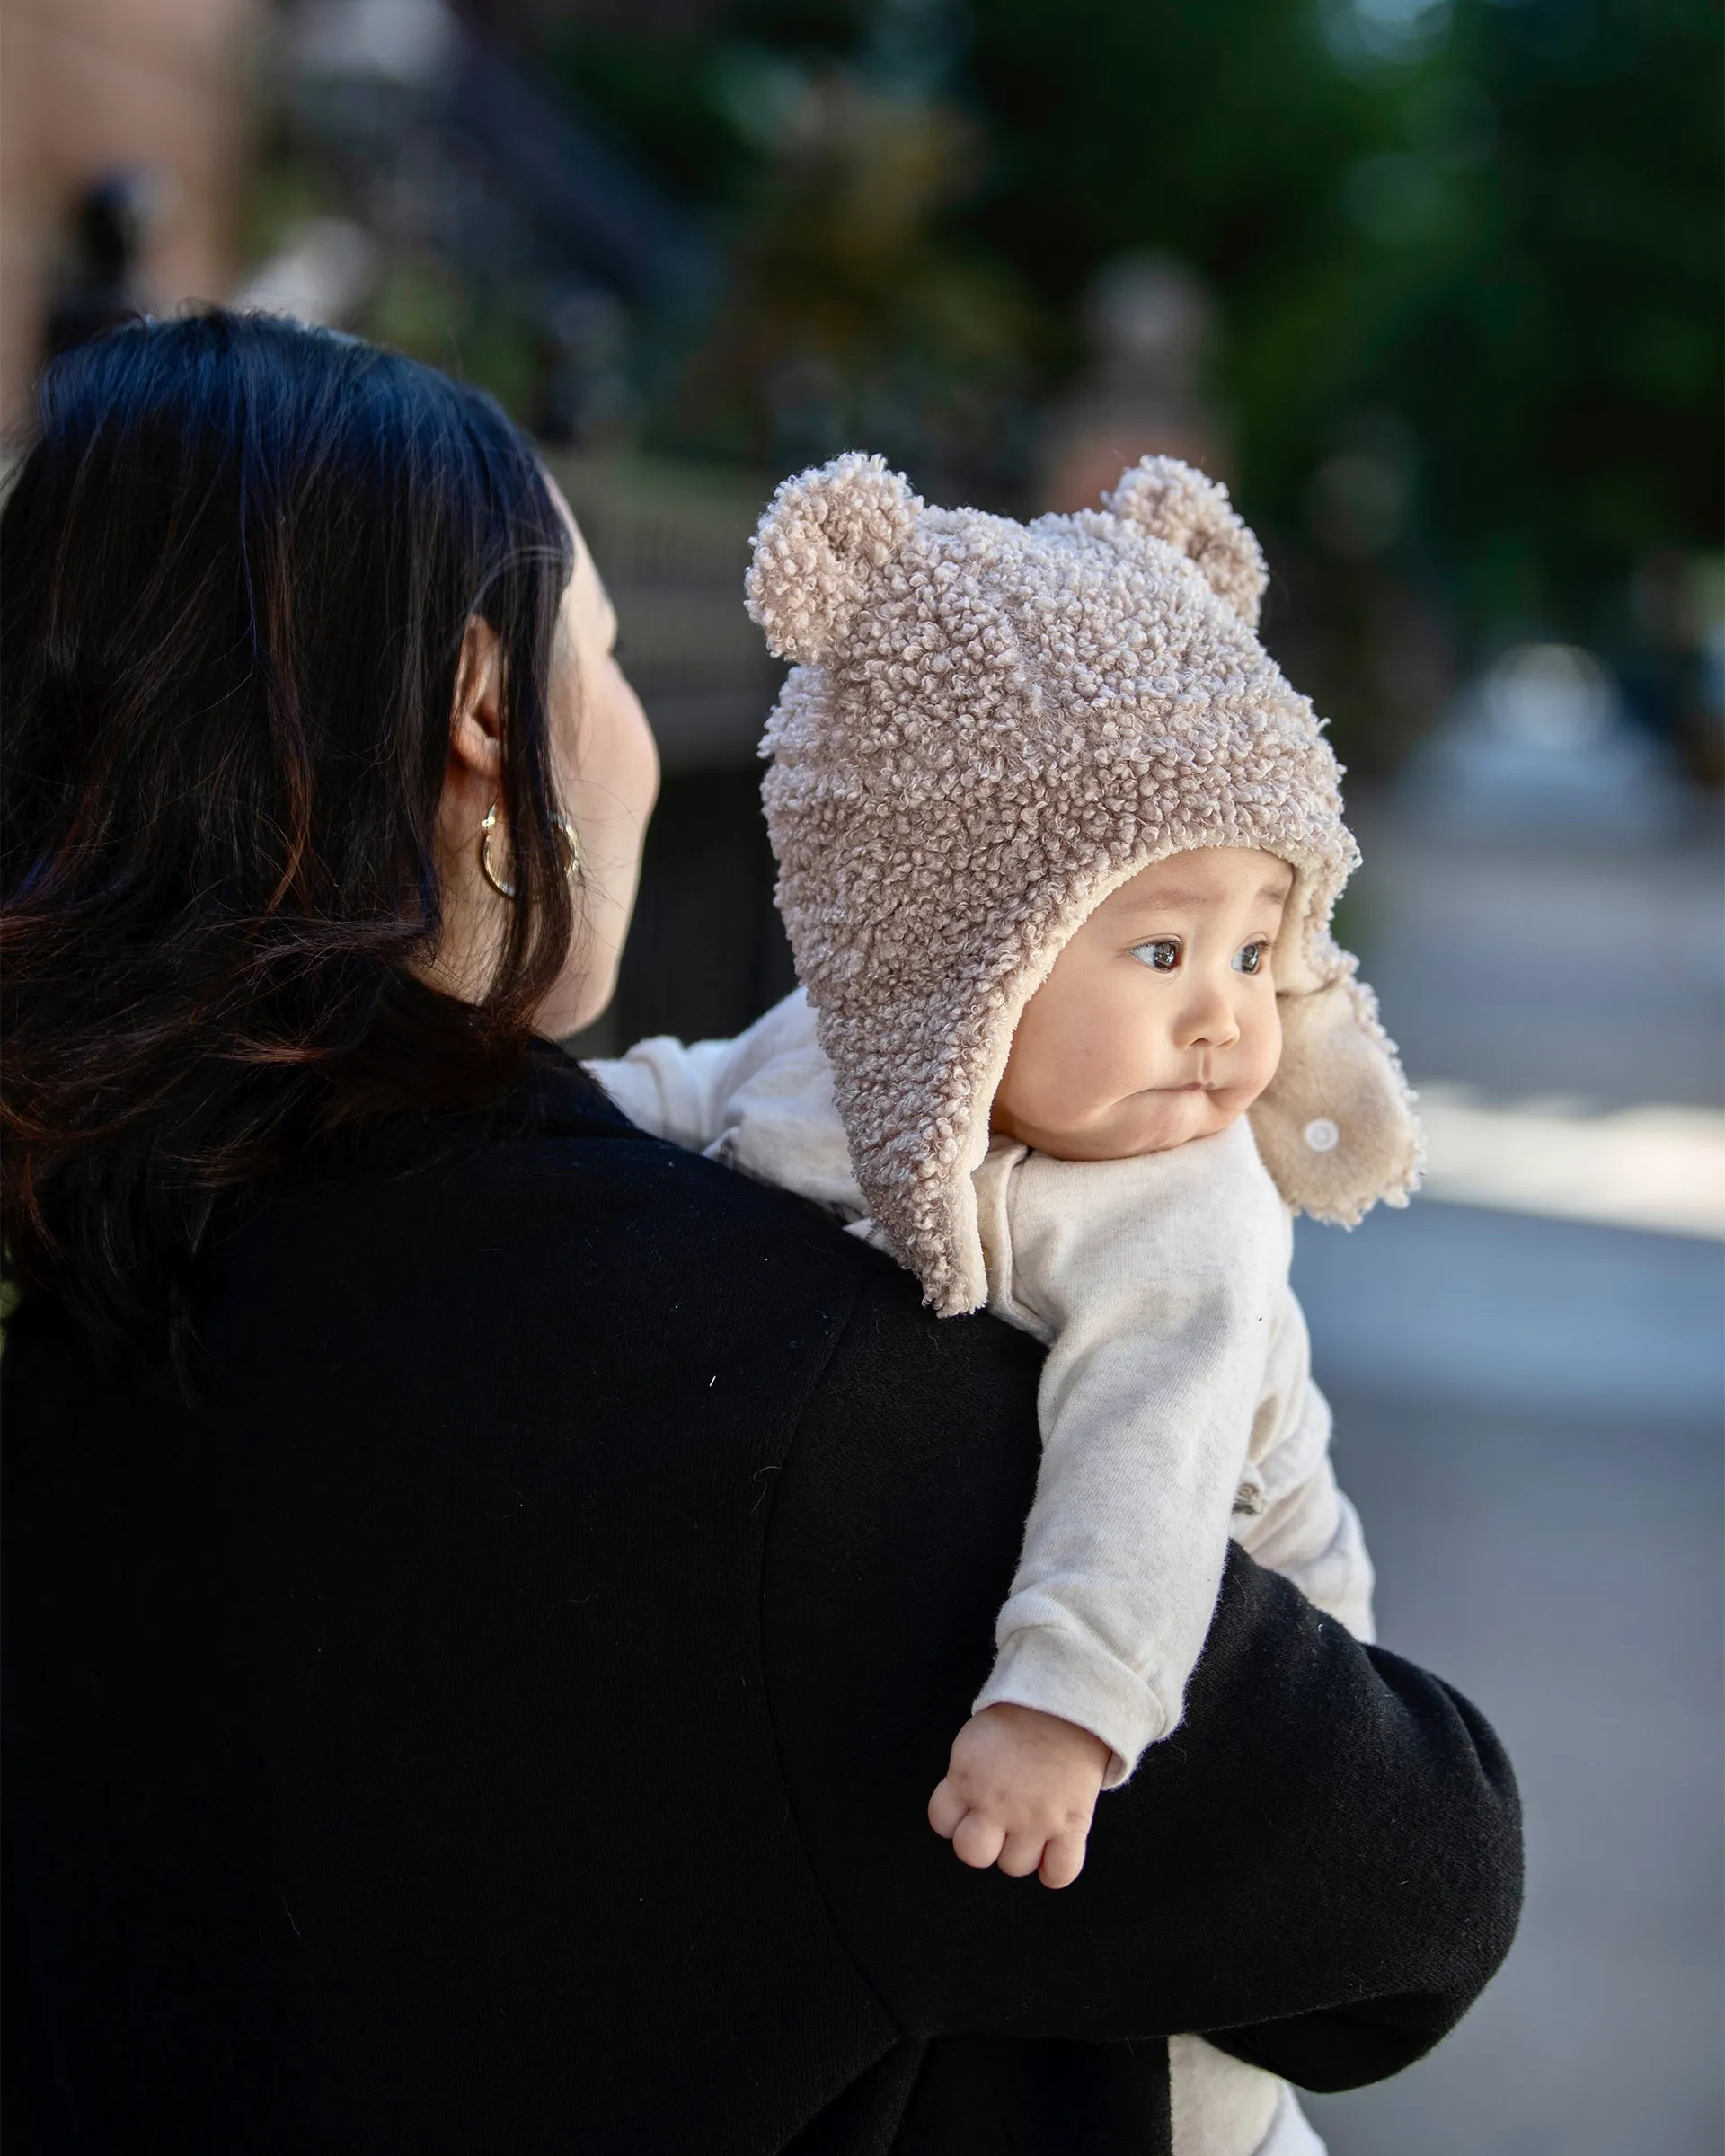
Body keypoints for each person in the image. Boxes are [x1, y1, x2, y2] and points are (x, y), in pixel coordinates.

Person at [0, 313, 1521, 2156]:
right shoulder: (775, 1400)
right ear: (488, 708)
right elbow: (1410, 1898)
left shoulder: (95, 1282)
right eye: (614, 657)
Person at [588, 452, 1420, 2156]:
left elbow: (1154, 1460)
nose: (1225, 1025)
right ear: (956, 949)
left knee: (1192, 2056)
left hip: (1206, 1599)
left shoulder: (1180, 1209)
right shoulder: (847, 1058)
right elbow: (685, 1092)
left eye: (1260, 952)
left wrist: (1066, 1709)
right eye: (1163, 953)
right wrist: (534, 1120)